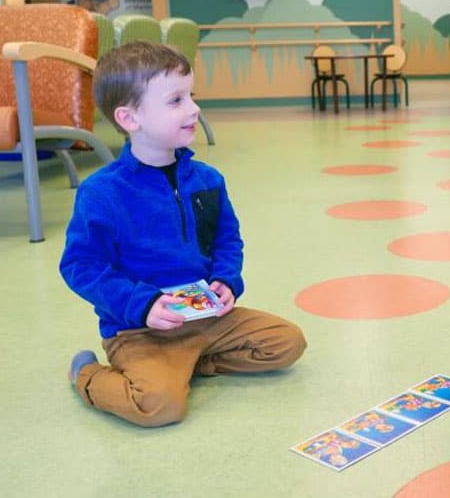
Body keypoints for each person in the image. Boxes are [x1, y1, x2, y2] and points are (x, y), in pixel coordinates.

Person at [61, 41, 306, 428]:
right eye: (175, 100)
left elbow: (227, 240)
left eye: (191, 95)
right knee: (159, 406)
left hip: (207, 320)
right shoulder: (101, 193)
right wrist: (141, 304)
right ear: (129, 118)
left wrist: (226, 279)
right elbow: (81, 266)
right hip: (139, 329)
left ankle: (193, 363)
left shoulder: (208, 180)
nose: (193, 109)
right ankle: (87, 377)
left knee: (287, 343)